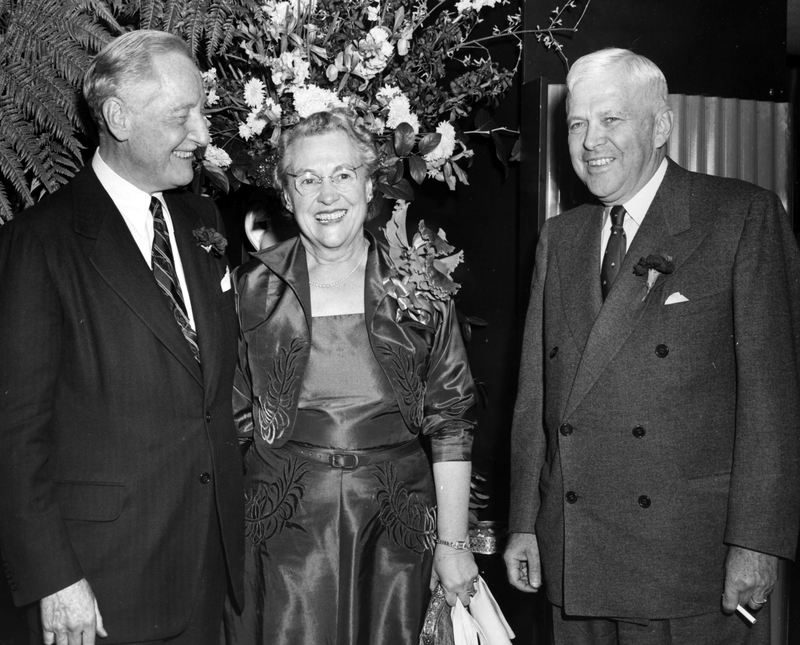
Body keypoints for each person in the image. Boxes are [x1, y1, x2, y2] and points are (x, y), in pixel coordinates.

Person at [503, 48, 800, 645]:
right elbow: (536, 393)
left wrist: (757, 542)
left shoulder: (739, 216)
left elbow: (774, 400)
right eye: (578, 124)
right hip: (575, 549)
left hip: (688, 562)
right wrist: (524, 522)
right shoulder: (561, 239)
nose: (591, 142)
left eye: (611, 120)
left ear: (660, 126)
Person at [0, 30, 244, 645]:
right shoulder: (40, 243)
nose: (204, 135)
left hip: (204, 574)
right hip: (101, 587)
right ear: (118, 118)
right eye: (180, 117)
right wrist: (54, 579)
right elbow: (13, 434)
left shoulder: (204, 223)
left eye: (202, 112)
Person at [223, 108, 479, 645]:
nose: (327, 194)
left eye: (342, 174)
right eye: (308, 180)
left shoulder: (421, 280)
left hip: (397, 532)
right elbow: (232, 428)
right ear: (286, 197)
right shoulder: (249, 289)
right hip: (282, 538)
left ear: (369, 183)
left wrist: (453, 546)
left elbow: (451, 418)